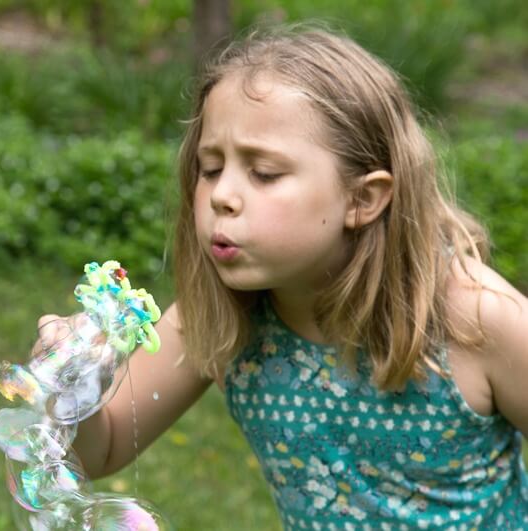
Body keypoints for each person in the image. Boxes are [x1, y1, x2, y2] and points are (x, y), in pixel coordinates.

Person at [36, 26, 528, 529]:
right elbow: (105, 449)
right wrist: (79, 389)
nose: (222, 195)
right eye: (209, 168)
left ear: (362, 199)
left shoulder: (478, 318)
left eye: (264, 173)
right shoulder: (220, 318)